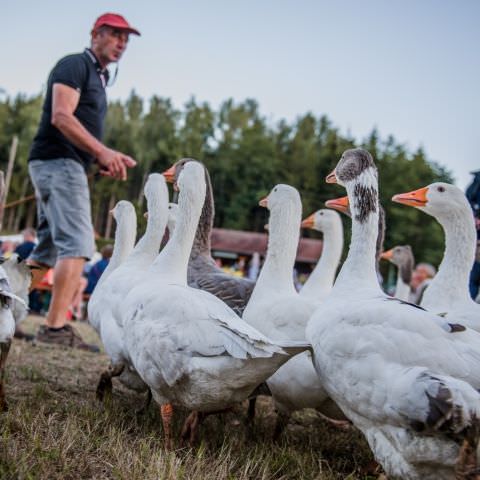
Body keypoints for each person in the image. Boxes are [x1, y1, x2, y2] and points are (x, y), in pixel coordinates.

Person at [26, 13, 139, 351]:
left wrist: (98, 157)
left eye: (126, 39)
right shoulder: (75, 65)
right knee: (78, 245)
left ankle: (6, 308)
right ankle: (55, 328)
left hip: (63, 164)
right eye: (115, 35)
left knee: (45, 252)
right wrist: (101, 152)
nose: (121, 43)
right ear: (95, 34)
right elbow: (61, 116)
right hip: (59, 164)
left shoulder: (97, 76)